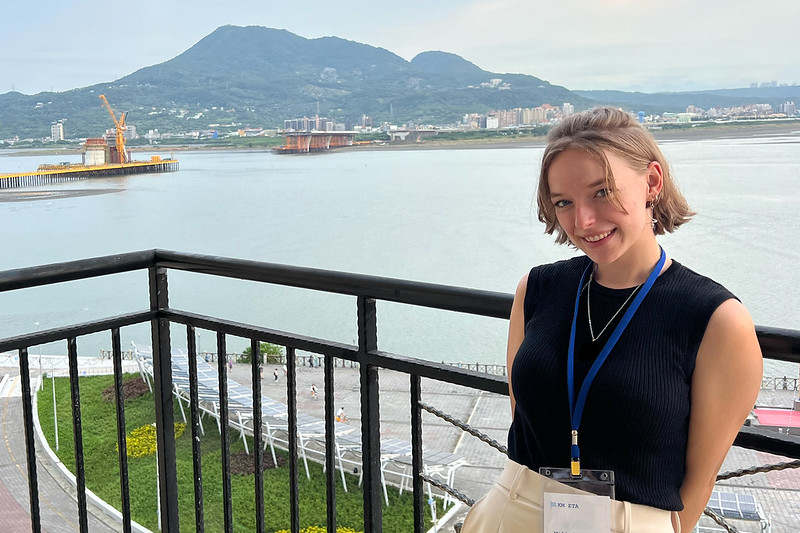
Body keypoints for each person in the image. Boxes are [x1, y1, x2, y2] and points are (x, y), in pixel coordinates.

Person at [461, 107, 762, 533]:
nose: (582, 221)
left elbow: (699, 480)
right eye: (564, 202)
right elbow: (525, 417)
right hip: (514, 506)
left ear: (652, 182)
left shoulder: (715, 319)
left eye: (601, 192)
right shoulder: (537, 289)